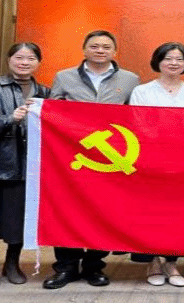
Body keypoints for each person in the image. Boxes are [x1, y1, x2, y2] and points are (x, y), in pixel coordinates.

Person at [43, 30, 139, 289]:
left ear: (115, 51)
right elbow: (53, 111)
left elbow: (135, 117)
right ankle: (65, 267)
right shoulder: (64, 76)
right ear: (84, 49)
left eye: (106, 47)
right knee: (66, 209)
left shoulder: (130, 79)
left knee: (104, 210)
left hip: (111, 158)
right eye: (94, 46)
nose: (100, 50)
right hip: (71, 155)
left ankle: (94, 266)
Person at [0, 42, 51, 290]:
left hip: (30, 166)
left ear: (38, 62)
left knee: (19, 218)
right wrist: (8, 119)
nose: (24, 63)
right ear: (9, 60)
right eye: (19, 58)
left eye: (30, 58)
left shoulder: (45, 91)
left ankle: (12, 262)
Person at [128, 42, 184, 287]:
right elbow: (138, 124)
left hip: (183, 160)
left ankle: (171, 262)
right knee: (149, 211)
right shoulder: (142, 91)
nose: (174, 63)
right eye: (168, 58)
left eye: (179, 59)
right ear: (158, 62)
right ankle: (152, 261)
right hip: (150, 159)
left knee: (177, 213)